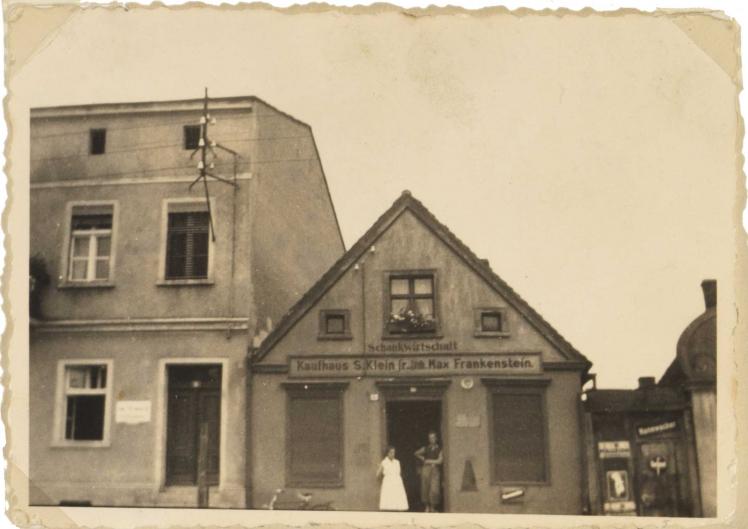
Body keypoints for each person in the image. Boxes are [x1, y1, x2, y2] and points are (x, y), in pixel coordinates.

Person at [414, 431, 443, 512]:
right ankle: (427, 507)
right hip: (426, 470)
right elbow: (416, 453)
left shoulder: (440, 449)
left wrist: (428, 461)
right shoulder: (426, 448)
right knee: (425, 488)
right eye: (430, 438)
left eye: (433, 437)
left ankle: (433, 507)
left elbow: (440, 461)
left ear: (436, 438)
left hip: (435, 470)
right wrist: (422, 459)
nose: (431, 439)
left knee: (434, 489)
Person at [376, 446, 409, 511]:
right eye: (390, 452)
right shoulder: (384, 462)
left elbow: (399, 472)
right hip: (388, 482)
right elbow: (378, 474)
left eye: (393, 452)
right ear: (387, 453)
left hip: (397, 482)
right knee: (389, 499)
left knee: (397, 499)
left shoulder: (397, 462)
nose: (392, 454)